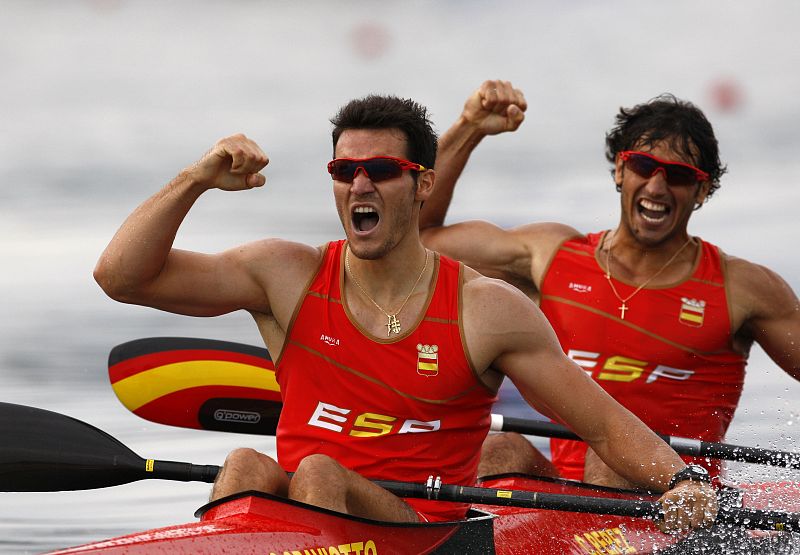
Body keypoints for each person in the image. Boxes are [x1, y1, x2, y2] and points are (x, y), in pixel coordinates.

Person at [94, 92, 716, 530]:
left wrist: (682, 482)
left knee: (318, 473)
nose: (360, 185)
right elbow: (119, 277)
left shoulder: (486, 309)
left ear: (422, 185)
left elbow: (603, 426)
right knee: (247, 463)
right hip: (302, 523)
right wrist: (196, 179)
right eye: (345, 170)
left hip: (425, 531)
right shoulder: (285, 274)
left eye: (382, 171)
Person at [420, 80, 800, 488]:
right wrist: (469, 126)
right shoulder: (548, 256)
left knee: (609, 465)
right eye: (642, 166)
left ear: (702, 190)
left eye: (677, 175)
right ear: (620, 169)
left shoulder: (742, 288)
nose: (656, 187)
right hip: (577, 504)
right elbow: (418, 236)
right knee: (499, 449)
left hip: (681, 501)